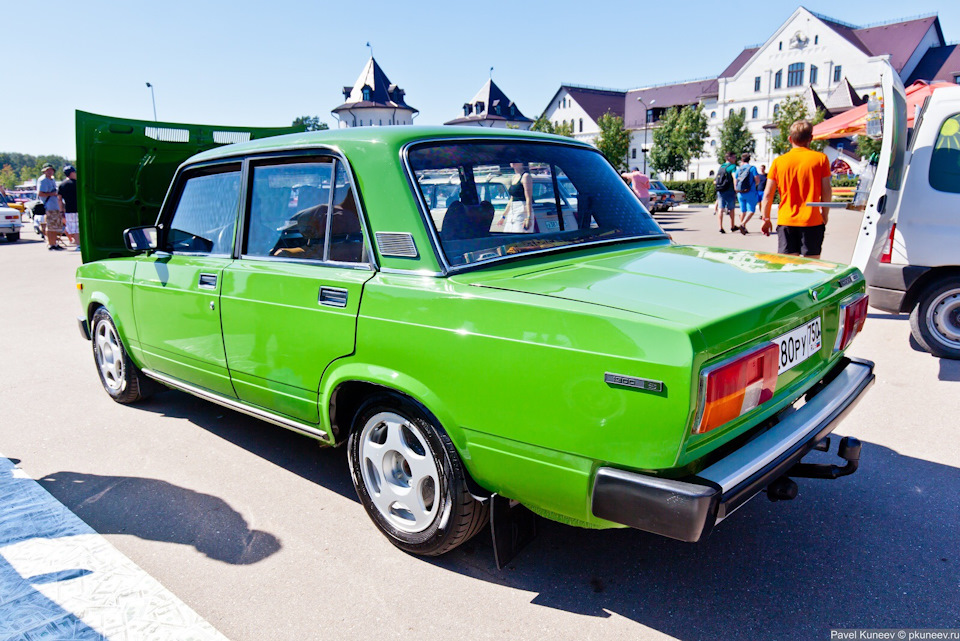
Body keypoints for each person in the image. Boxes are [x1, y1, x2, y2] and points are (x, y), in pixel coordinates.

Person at [761, 120, 832, 258]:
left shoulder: (778, 162)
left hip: (786, 220)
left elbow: (768, 194)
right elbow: (826, 191)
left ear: (790, 139)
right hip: (812, 220)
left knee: (788, 266)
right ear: (811, 138)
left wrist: (766, 218)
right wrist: (825, 214)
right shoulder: (821, 159)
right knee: (811, 264)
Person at [500, 162, 534, 233]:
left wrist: (528, 217)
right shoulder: (514, 177)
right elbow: (512, 199)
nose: (512, 162)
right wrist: (503, 216)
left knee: (519, 235)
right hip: (512, 211)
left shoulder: (526, 176)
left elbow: (528, 198)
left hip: (522, 211)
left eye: (515, 161)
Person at [37, 163, 64, 250]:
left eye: (51, 170)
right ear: (44, 171)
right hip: (49, 206)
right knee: (50, 226)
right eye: (48, 170)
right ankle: (50, 244)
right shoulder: (43, 180)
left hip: (55, 206)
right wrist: (52, 194)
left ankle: (55, 243)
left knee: (55, 226)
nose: (50, 172)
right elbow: (40, 193)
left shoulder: (52, 179)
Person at [735, 153, 760, 234]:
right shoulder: (752, 168)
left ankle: (744, 228)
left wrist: (737, 189)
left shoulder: (739, 169)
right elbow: (757, 180)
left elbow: (735, 181)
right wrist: (754, 185)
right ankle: (742, 224)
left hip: (740, 192)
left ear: (742, 160)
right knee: (751, 210)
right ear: (749, 159)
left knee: (743, 211)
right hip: (750, 191)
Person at [715, 152, 738, 233]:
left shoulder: (721, 166)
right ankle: (732, 226)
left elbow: (716, 180)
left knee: (720, 209)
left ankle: (720, 227)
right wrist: (736, 187)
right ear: (729, 158)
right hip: (729, 190)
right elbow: (734, 177)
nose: (735, 159)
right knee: (731, 209)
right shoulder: (733, 167)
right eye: (734, 157)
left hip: (720, 190)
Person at [59, 165, 79, 250]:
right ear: (72, 173)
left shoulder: (62, 185)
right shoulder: (78, 183)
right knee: (78, 227)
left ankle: (77, 243)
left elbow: (59, 199)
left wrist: (61, 211)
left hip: (69, 209)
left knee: (72, 228)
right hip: (79, 209)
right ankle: (79, 244)